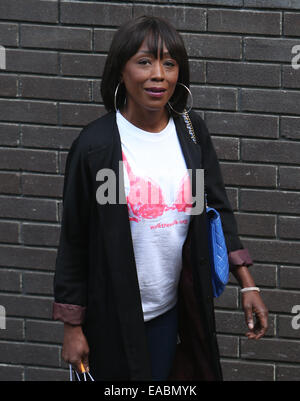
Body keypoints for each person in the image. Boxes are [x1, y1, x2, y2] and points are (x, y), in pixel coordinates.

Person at [52, 15, 268, 381]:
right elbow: (75, 241)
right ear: (120, 70)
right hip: (111, 320)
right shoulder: (99, 147)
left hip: (171, 312)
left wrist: (247, 281)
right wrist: (72, 327)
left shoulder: (189, 131)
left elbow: (212, 206)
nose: (158, 74)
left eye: (169, 63)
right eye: (144, 62)